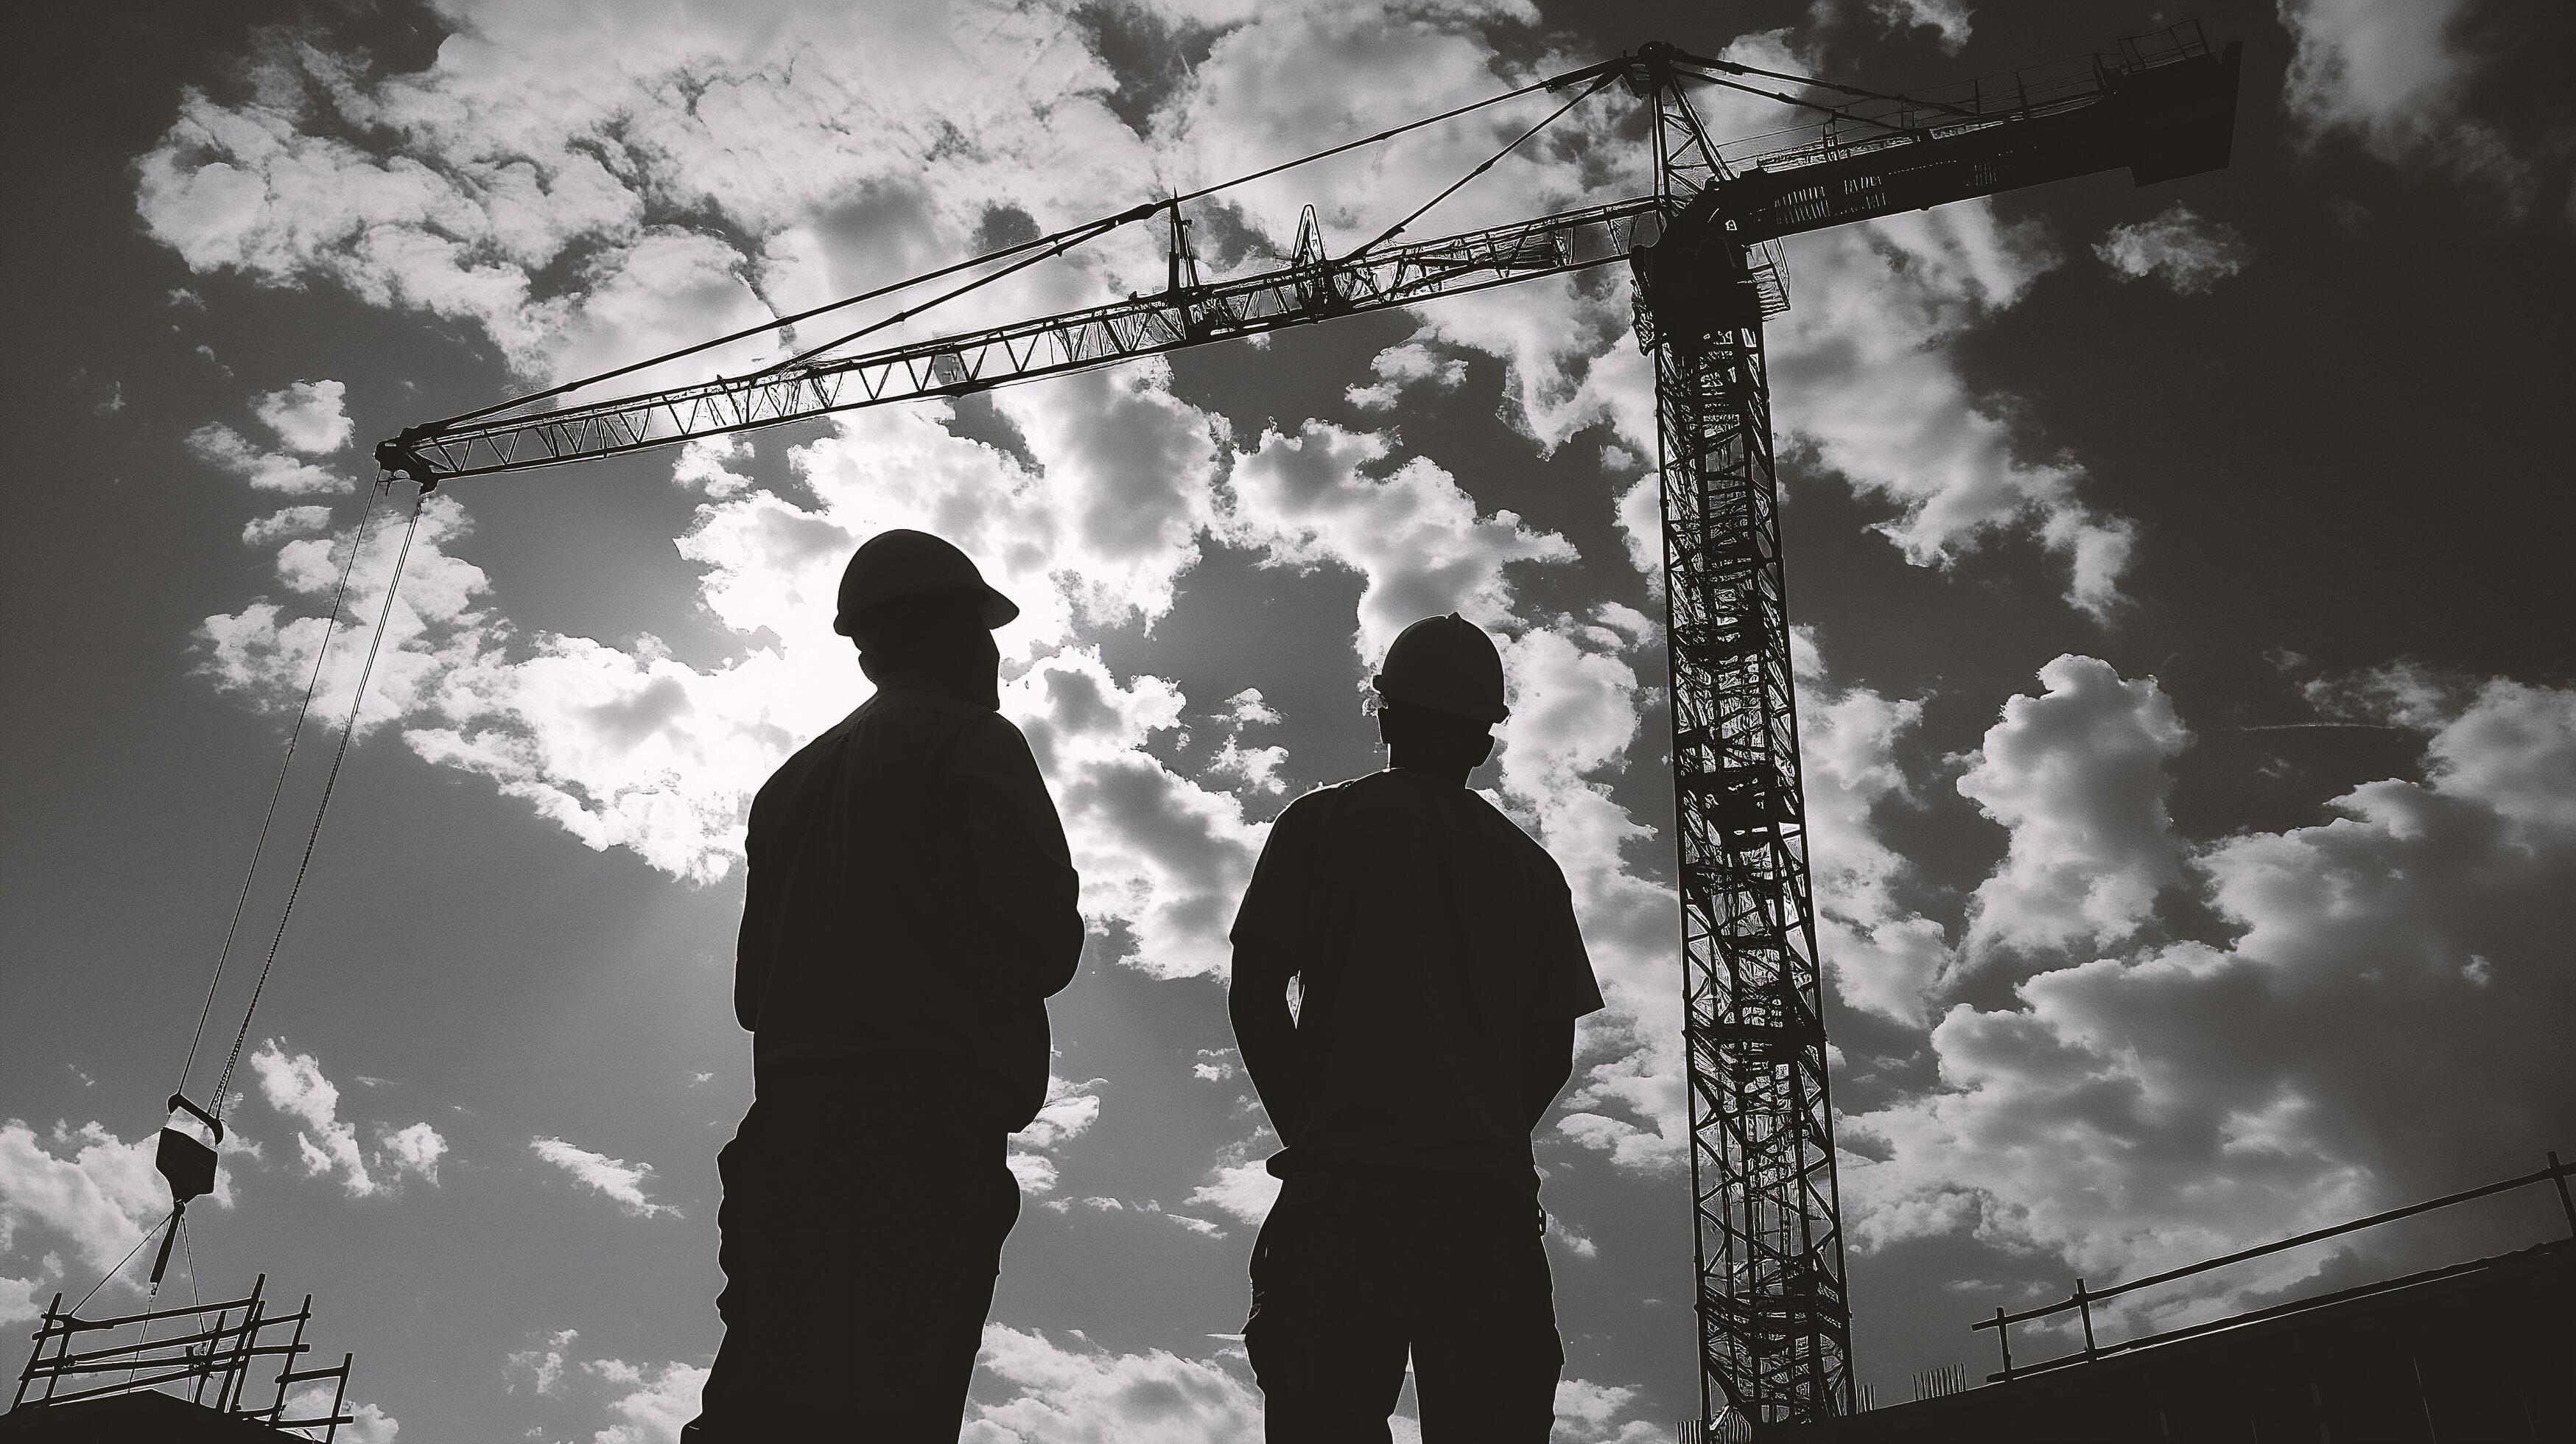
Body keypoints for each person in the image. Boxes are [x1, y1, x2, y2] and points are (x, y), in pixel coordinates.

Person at [685, 530, 1083, 1443]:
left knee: (759, 1400)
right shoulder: (975, 745)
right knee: (897, 1400)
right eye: (980, 632)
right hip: (923, 1134)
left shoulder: (788, 784)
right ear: (945, 634)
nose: (993, 654)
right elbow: (1044, 943)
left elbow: (752, 995)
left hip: (786, 1135)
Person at [1228, 612, 1605, 1444]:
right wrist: (1476, 1132)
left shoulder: (1320, 827)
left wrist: (1317, 1137)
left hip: (1343, 1203)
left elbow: (1253, 993)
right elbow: (1550, 1051)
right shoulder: (1529, 873)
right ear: (1483, 741)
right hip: (1481, 1216)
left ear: (1384, 714)